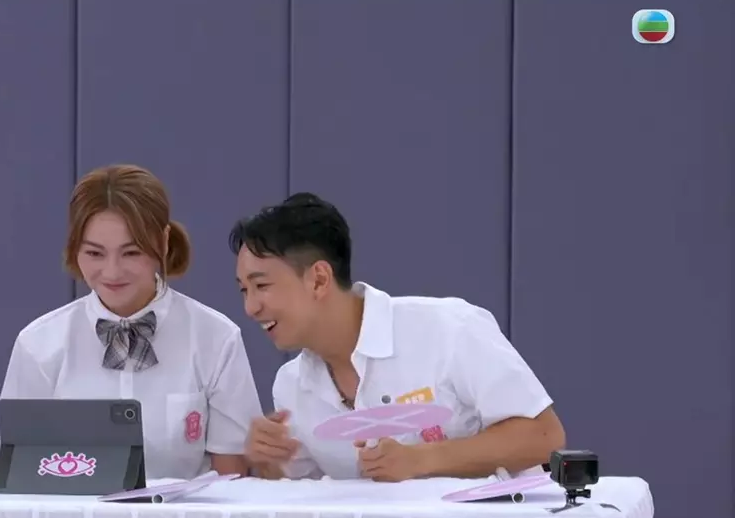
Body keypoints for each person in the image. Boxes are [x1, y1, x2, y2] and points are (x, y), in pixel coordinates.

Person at [231, 193, 565, 481]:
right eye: (244, 290)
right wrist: (269, 461)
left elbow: (544, 436)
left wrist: (423, 460)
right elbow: (308, 504)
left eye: (261, 286)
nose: (250, 307)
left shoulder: (450, 328)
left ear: (319, 279)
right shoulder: (290, 386)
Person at [0, 165, 262, 479]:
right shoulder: (38, 344)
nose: (112, 272)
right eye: (95, 253)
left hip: (185, 512)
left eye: (131, 253)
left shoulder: (216, 338)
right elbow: (16, 473)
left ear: (163, 242)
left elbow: (231, 480)